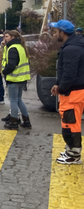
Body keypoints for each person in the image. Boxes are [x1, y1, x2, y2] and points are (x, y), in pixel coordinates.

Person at [49, 20, 84, 165]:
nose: (53, 33)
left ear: (62, 32)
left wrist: (61, 88)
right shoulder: (75, 45)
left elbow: (69, 74)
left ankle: (73, 154)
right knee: (71, 122)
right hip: (75, 91)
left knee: (71, 124)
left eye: (55, 31)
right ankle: (71, 149)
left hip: (72, 94)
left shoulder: (71, 49)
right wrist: (58, 84)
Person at [0, 30, 32, 130]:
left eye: (6, 37)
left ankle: (13, 122)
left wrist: (4, 71)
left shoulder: (12, 48)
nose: (4, 38)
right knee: (18, 100)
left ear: (12, 37)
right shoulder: (21, 47)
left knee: (13, 101)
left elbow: (11, 65)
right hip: (22, 78)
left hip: (14, 78)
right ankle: (26, 120)